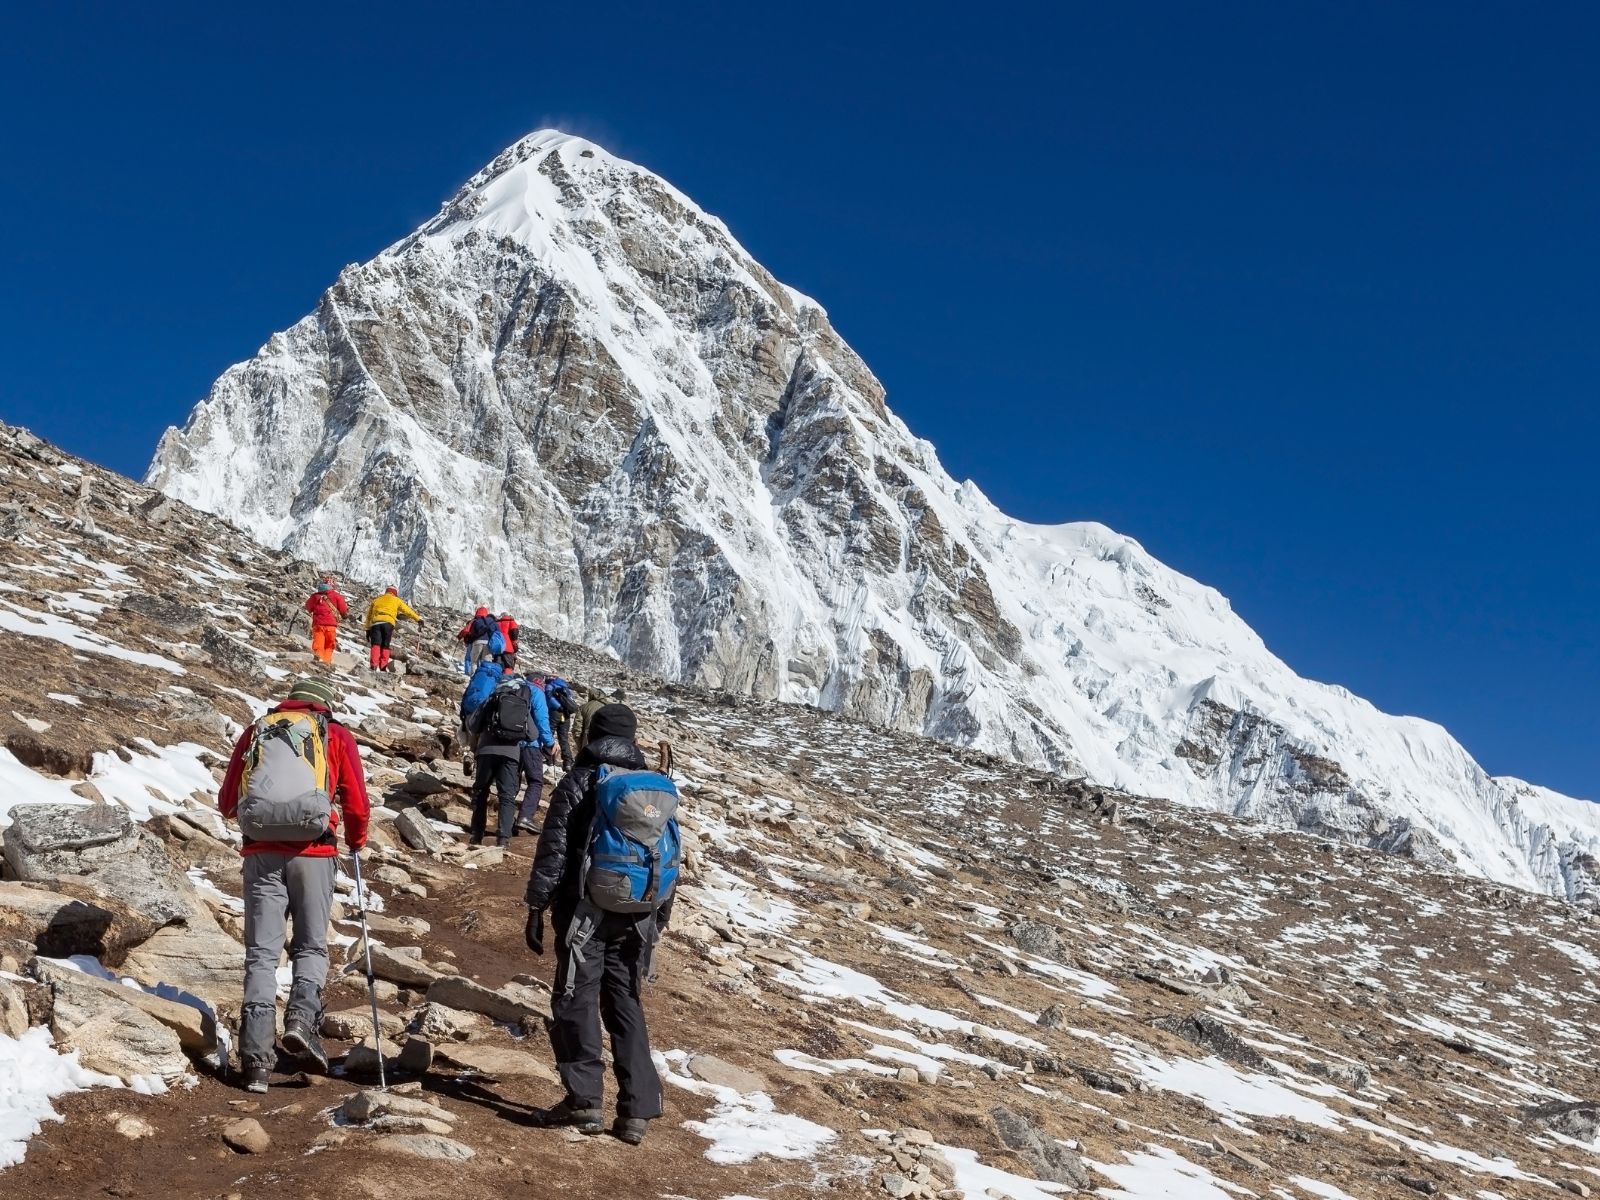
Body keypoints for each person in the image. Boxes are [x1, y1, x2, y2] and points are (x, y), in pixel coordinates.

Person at [523, 703, 668, 1145]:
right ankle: (637, 1110)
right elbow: (664, 857)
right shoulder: (655, 789)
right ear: (632, 738)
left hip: (582, 911)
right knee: (625, 1000)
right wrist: (658, 918)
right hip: (637, 913)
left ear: (592, 735)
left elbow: (555, 851)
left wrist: (536, 906)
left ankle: (584, 1101)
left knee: (576, 997)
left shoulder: (579, 781)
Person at [216, 676, 369, 1094]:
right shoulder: (334, 734)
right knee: (310, 946)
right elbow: (355, 798)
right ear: (323, 704)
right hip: (315, 854)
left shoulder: (257, 732)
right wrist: (356, 839)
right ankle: (302, 1022)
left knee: (262, 954)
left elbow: (227, 802)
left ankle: (255, 1062)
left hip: (261, 853)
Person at [464, 654, 549, 846]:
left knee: (481, 791)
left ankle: (476, 835)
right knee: (507, 796)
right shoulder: (522, 704)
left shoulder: (492, 698)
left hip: (486, 751)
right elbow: (533, 734)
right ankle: (503, 840)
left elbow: (474, 725)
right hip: (511, 754)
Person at [363, 586, 422, 671]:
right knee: (385, 645)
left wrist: (367, 629)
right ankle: (383, 666)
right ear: (395, 593)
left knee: (376, 644)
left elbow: (369, 616)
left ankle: (373, 665)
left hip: (376, 623)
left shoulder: (377, 600)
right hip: (388, 623)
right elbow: (407, 611)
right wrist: (418, 619)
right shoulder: (396, 600)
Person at [304, 581, 348, 664]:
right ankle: (326, 662)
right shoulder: (337, 595)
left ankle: (319, 660)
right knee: (329, 645)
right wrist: (344, 615)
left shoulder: (314, 596)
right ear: (331, 587)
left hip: (318, 625)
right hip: (331, 625)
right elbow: (343, 610)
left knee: (318, 644)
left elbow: (308, 607)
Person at [543, 677, 579, 769]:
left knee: (549, 733)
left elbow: (548, 697)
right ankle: (568, 762)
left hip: (555, 712)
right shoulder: (565, 687)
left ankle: (549, 759)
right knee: (564, 738)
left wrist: (558, 707)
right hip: (566, 714)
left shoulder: (549, 686)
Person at [458, 606, 499, 675]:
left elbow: (467, 631)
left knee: (473, 661)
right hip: (487, 643)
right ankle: (483, 676)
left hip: (475, 642)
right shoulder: (490, 622)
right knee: (486, 662)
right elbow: (496, 633)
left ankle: (470, 675)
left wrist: (460, 637)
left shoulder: (474, 621)